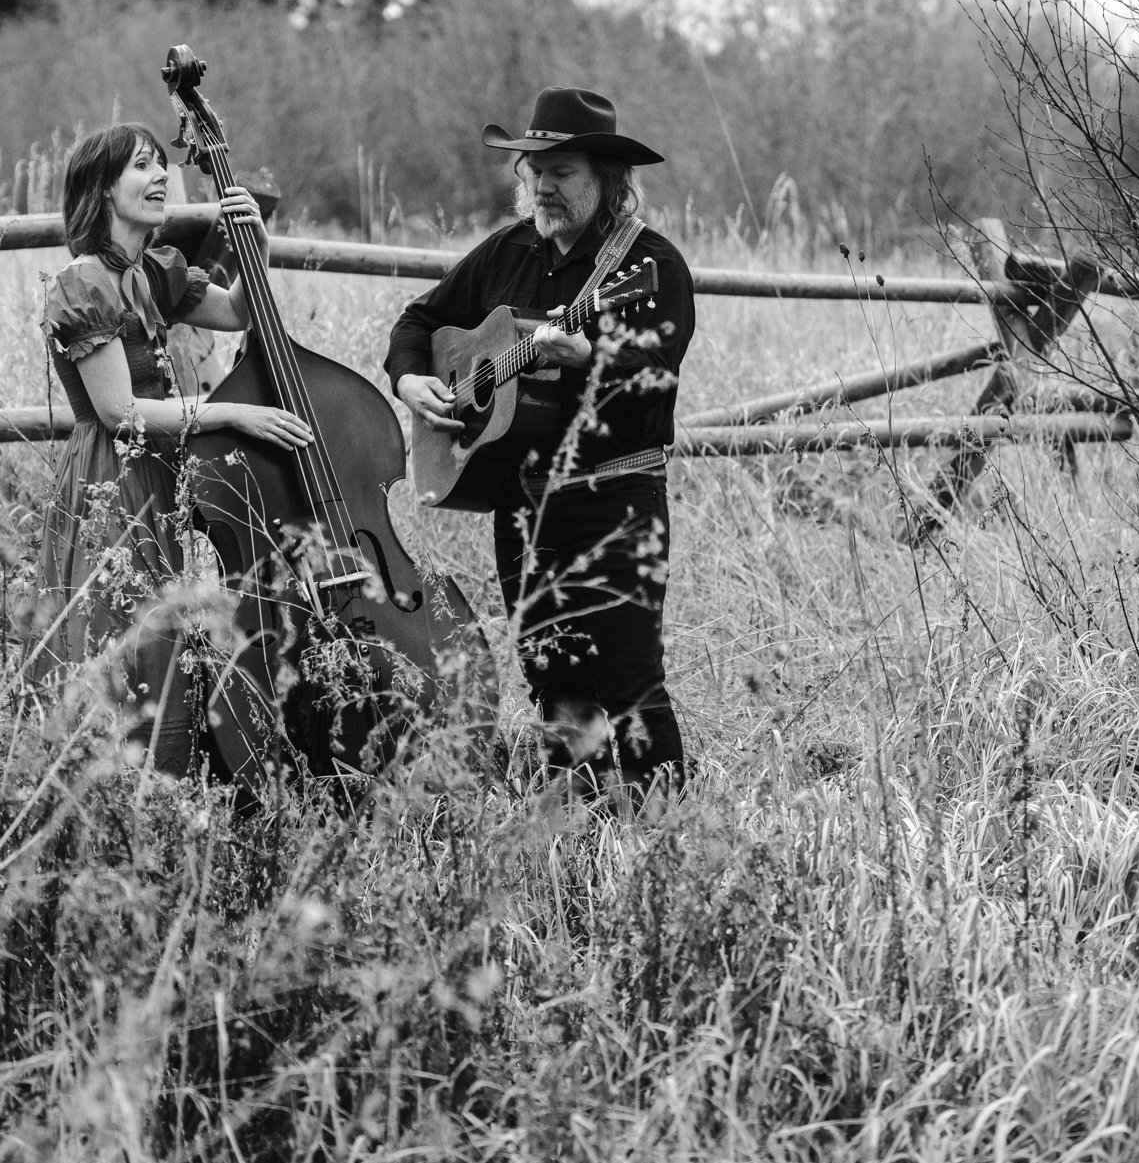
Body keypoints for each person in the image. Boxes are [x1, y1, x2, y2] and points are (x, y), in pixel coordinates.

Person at [385, 88, 695, 800]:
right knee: (553, 675)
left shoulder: (650, 267)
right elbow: (418, 321)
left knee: (629, 680)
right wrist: (412, 383)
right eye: (536, 169)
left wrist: (591, 357)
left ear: (610, 179)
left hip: (613, 498)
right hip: (522, 504)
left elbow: (655, 375)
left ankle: (669, 846)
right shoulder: (507, 252)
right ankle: (583, 842)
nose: (544, 184)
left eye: (564, 170)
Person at [37, 122, 312, 772]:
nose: (160, 176)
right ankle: (122, 797)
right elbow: (120, 411)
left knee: (161, 634)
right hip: (112, 477)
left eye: (162, 164)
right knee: (125, 641)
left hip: (157, 476)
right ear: (102, 189)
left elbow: (240, 312)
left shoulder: (155, 272)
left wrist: (256, 245)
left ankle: (159, 793)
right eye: (141, 166)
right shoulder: (83, 282)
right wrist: (231, 414)